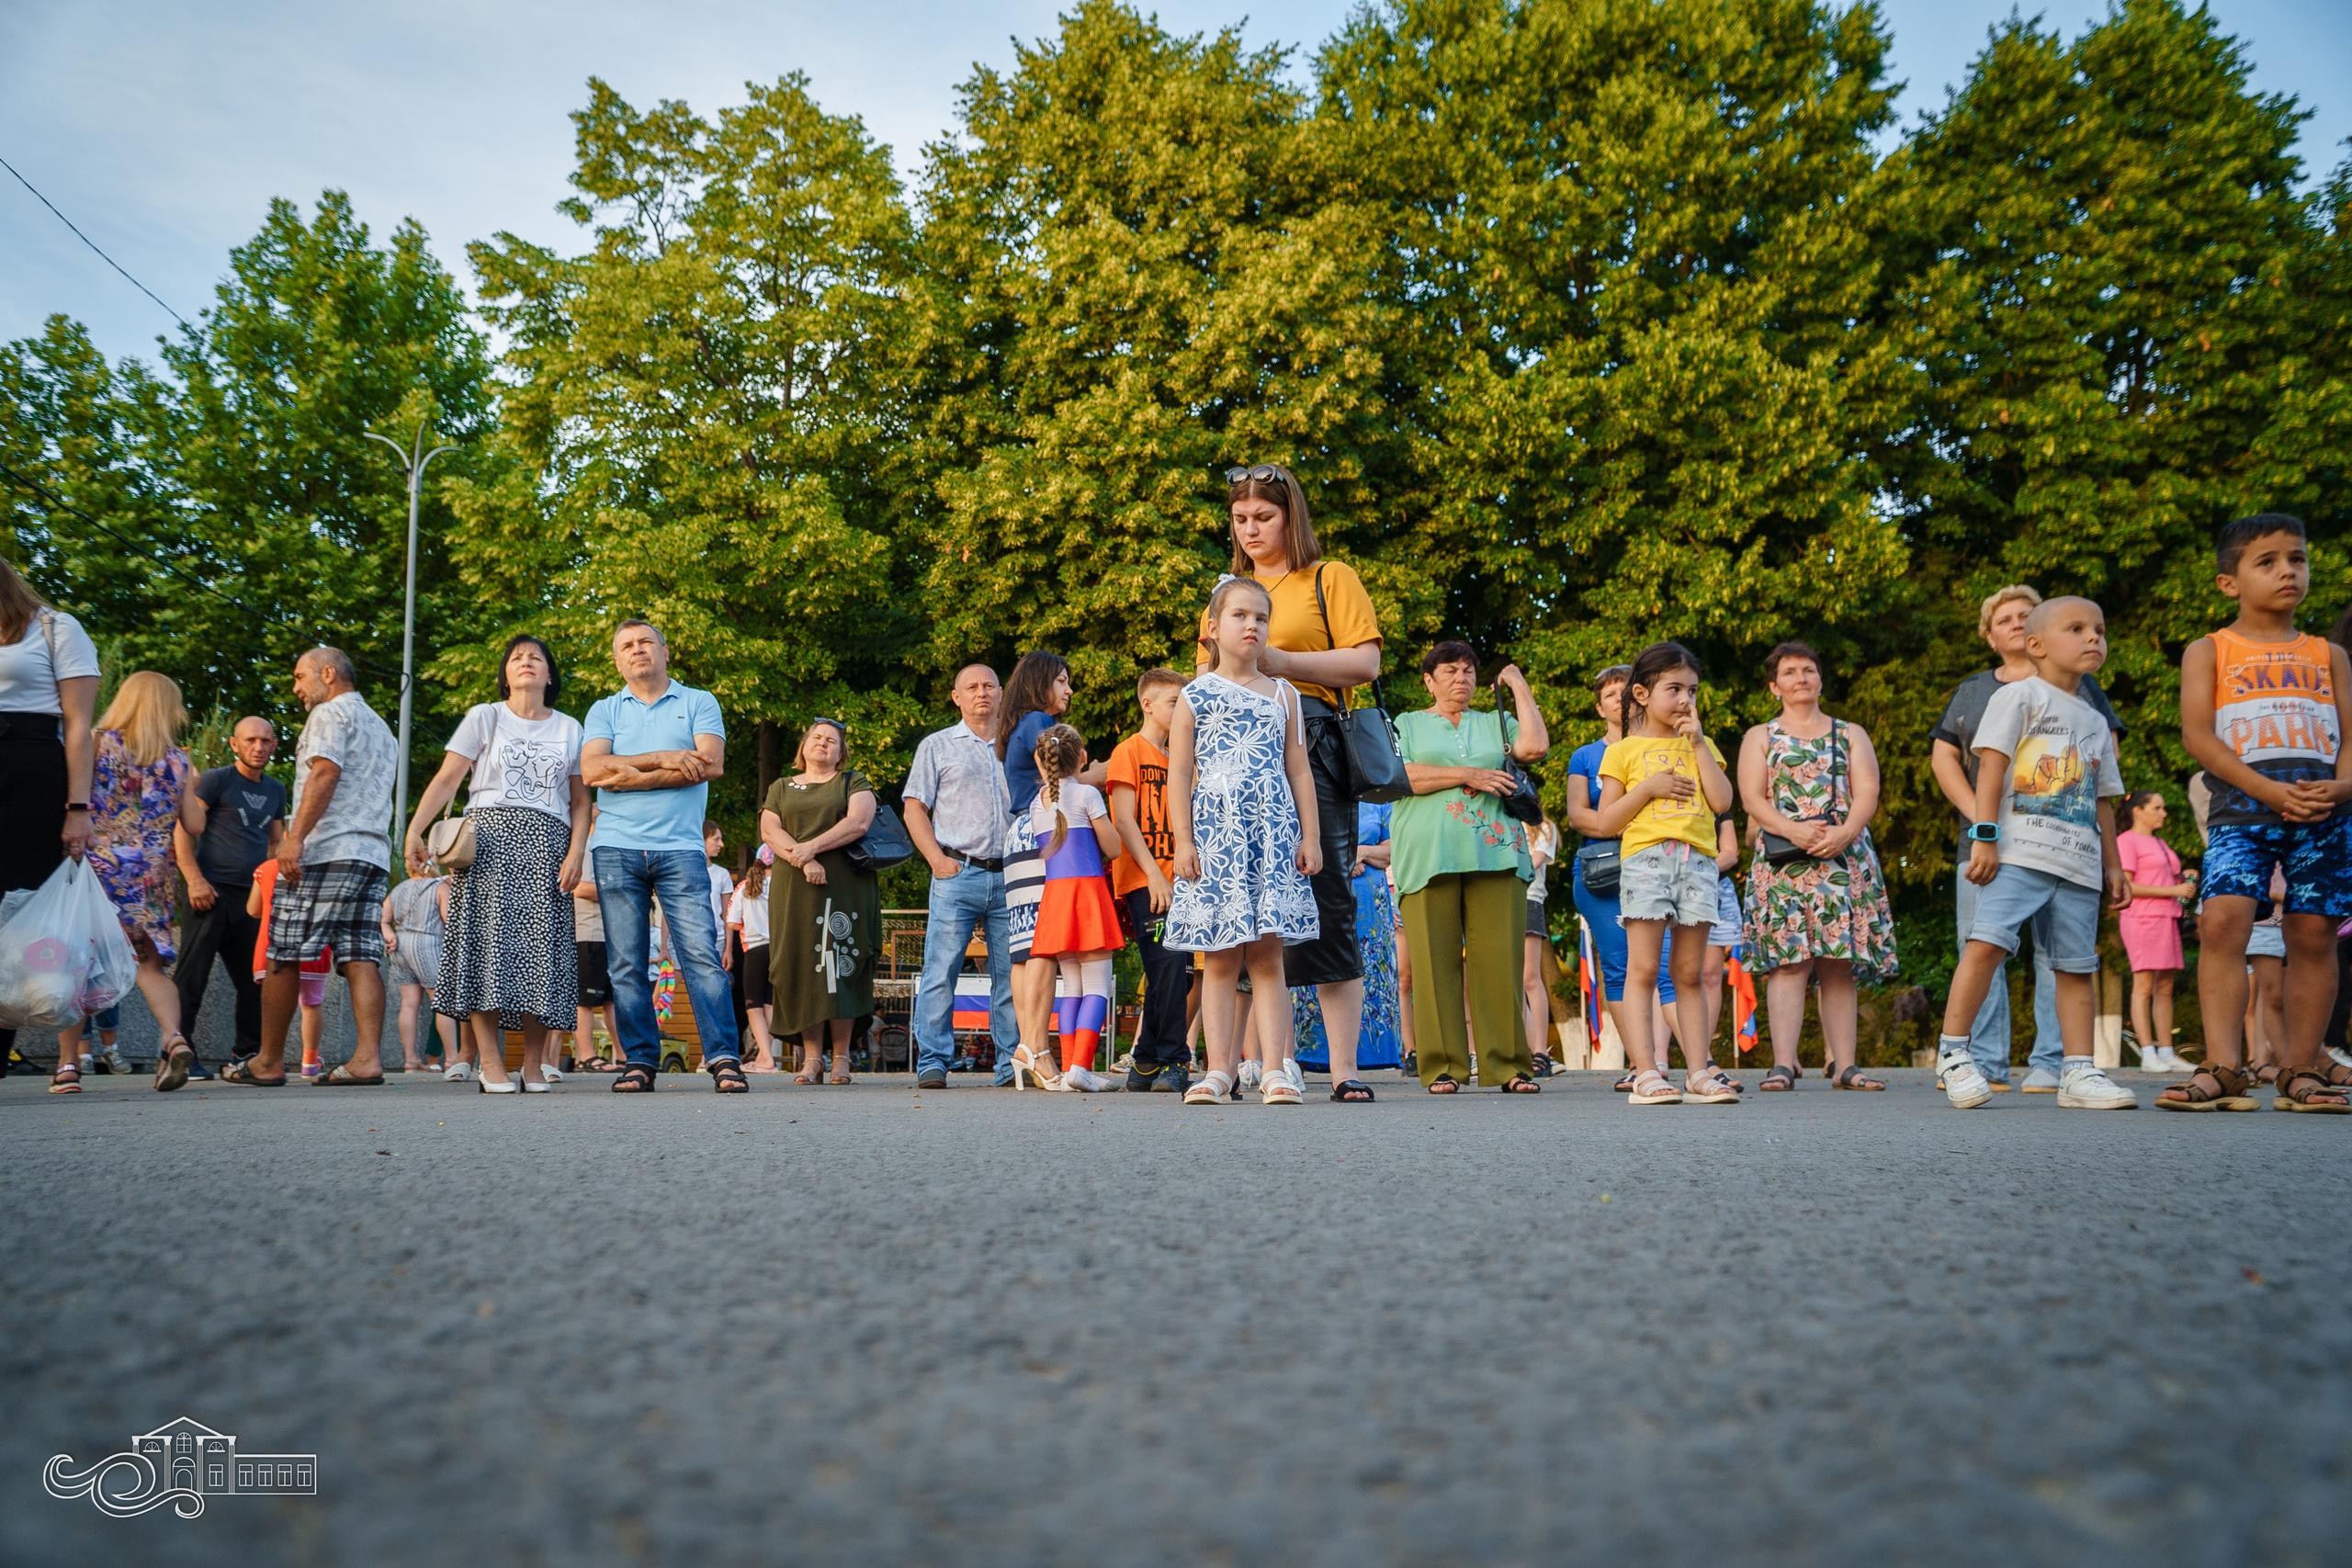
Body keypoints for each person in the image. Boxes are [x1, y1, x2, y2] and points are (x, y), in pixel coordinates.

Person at [2161, 515, 2352, 1112]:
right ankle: (2223, 1064)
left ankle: (2300, 1066)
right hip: (2242, 807)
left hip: (2323, 812)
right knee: (2223, 920)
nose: (2287, 570)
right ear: (2229, 582)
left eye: (2297, 558)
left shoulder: (2331, 654)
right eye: (2266, 561)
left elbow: (2350, 735)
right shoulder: (2209, 650)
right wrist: (2266, 790)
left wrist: (2343, 786)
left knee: (2314, 933)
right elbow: (2198, 735)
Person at [1210, 464, 1384, 1099]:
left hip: (1313, 734)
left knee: (1328, 892)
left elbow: (1366, 661)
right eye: (1240, 519)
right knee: (1249, 903)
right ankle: (1268, 1065)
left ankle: (1344, 1069)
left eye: (1264, 517)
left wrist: (1279, 663)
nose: (1250, 529)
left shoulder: (1327, 577)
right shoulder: (1229, 588)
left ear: (1291, 517)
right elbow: (1206, 679)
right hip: (1236, 753)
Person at [1932, 598, 2135, 1111]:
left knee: (2074, 966)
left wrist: (2113, 864)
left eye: (2099, 629)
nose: (2094, 638)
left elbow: (2104, 798)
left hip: (2078, 863)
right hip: (2017, 854)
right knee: (1986, 945)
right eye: (2077, 629)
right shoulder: (2019, 698)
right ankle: (1955, 1055)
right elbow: (1992, 767)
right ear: (2037, 645)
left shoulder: (2093, 717)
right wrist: (1985, 836)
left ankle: (2078, 1071)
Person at [403, 635, 588, 1095]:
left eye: (536, 658)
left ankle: (531, 1065)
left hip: (548, 844)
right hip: (487, 842)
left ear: (550, 675)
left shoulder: (570, 727)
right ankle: (488, 1062)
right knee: (487, 950)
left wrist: (576, 851)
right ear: (506, 674)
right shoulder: (485, 716)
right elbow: (447, 778)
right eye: (517, 658)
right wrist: (414, 829)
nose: (526, 663)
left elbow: (582, 801)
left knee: (541, 957)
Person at [1168, 574, 1322, 1106]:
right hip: (1215, 838)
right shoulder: (1193, 696)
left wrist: (1311, 836)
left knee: (1267, 958)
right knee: (1219, 958)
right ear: (1212, 627)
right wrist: (1182, 840)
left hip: (1273, 838)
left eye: (1260, 617)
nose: (1252, 625)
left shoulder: (1285, 694)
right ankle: (1218, 1071)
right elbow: (1180, 774)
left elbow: (1299, 770)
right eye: (1240, 615)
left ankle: (1276, 1069)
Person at [580, 620, 743, 1095]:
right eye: (627, 646)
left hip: (681, 848)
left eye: (646, 642)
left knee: (701, 956)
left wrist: (630, 773)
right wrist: (671, 758)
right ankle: (640, 1061)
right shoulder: (605, 709)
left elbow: (711, 764)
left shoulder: (699, 701)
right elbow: (592, 770)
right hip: (615, 847)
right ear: (617, 660)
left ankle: (723, 1057)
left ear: (665, 651)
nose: (637, 650)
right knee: (627, 963)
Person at [225, 648, 396, 1088]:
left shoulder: (329, 715)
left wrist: (294, 837)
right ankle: (367, 1059)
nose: (297, 688)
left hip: (327, 850)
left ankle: (267, 1062)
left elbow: (324, 773)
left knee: (284, 950)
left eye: (300, 677)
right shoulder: (382, 728)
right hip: (371, 853)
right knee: (360, 955)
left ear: (328, 673)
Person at [1736, 643, 1899, 1093]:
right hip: (1784, 863)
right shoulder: (1761, 736)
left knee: (1837, 964)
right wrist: (1796, 831)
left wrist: (1844, 833)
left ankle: (1845, 1065)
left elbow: (1867, 791)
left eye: (1809, 669)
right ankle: (1783, 1064)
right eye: (1790, 672)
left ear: (1821, 680)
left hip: (1843, 861)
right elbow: (1752, 799)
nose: (1801, 678)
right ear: (1775, 686)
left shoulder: (1851, 733)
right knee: (1788, 964)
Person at [1392, 643, 1549, 1095]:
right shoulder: (1407, 723)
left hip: (1498, 853)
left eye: (1469, 671)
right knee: (1433, 964)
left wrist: (1517, 683)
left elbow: (1534, 746)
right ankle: (1442, 1066)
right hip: (1428, 855)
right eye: (1450, 670)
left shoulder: (1494, 723)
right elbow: (1399, 775)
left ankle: (1509, 1066)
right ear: (1429, 680)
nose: (1461, 678)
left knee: (1501, 962)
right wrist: (1468, 774)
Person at [1591, 642, 1740, 1106]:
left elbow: (1722, 802)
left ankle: (1698, 1072)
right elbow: (1605, 821)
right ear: (1641, 693)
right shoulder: (1623, 751)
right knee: (1642, 969)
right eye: (1674, 688)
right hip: (1645, 861)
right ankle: (1647, 1073)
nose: (1685, 700)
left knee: (1689, 972)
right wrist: (1649, 789)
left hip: (1698, 862)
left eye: (1692, 690)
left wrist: (1696, 744)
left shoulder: (1702, 744)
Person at [76, 671, 208, 1091]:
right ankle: (173, 1037)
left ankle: (67, 1067)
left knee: (76, 964)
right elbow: (194, 824)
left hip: (96, 872)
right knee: (149, 967)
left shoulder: (98, 742)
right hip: (151, 879)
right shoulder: (179, 761)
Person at [0, 558, 99, 1088]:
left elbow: (80, 725)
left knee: (20, 912)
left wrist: (77, 809)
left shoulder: (55, 627)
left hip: (32, 772)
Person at [1565, 666, 1687, 1086]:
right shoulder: (1585, 756)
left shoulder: (1672, 746)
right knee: (1620, 968)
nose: (1620, 701)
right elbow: (1580, 816)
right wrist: (1620, 820)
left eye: (1625, 693)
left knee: (1668, 969)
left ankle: (1695, 1064)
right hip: (1603, 875)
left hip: (1661, 866)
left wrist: (1620, 817)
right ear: (1600, 707)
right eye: (1610, 695)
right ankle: (1642, 1064)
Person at [905, 664, 1018, 1089]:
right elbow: (914, 806)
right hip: (957, 870)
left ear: (1002, 692)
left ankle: (1010, 1065)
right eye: (971, 687)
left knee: (1012, 975)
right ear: (956, 697)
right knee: (940, 970)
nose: (981, 693)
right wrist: (936, 860)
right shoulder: (937, 746)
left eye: (989, 685)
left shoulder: (1016, 746)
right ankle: (933, 1060)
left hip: (1010, 875)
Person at [1003, 724, 1123, 1092]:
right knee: (1097, 986)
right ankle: (1080, 1068)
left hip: (1055, 899)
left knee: (1071, 985)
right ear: (1083, 758)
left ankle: (1070, 1068)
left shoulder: (1037, 803)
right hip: (1087, 895)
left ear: (1041, 763)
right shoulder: (1087, 794)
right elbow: (1114, 848)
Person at [761, 716, 879, 1085]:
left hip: (845, 885)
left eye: (832, 740)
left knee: (840, 961)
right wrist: (805, 858)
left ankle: (841, 1057)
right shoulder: (781, 786)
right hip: (795, 888)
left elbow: (859, 822)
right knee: (801, 966)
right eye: (817, 737)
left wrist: (812, 847)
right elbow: (769, 830)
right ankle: (812, 1059)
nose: (823, 743)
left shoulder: (852, 781)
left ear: (841, 752)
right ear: (803, 746)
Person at [172, 716, 285, 1076]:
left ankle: (247, 1054)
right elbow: (182, 828)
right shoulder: (216, 779)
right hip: (210, 894)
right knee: (192, 978)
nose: (259, 747)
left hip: (253, 901)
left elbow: (277, 844)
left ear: (274, 745)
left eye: (266, 741)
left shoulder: (277, 790)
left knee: (257, 981)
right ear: (234, 744)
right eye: (250, 740)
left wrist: (277, 894)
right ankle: (178, 1053)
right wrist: (194, 880)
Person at [1106, 670, 1193, 1093]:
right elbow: (1124, 820)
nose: (1182, 709)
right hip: (1147, 880)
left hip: (1182, 880)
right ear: (1149, 705)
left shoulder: (1183, 759)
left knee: (1175, 971)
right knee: (1170, 965)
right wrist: (1156, 875)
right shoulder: (1129, 751)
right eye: (1175, 702)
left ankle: (1143, 1062)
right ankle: (1176, 1059)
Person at [1291, 801, 1406, 1077]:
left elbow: (1393, 851)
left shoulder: (1379, 801)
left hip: (1371, 904)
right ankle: (1309, 1055)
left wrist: (1360, 852)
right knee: (1318, 972)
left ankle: (1364, 1055)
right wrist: (1341, 860)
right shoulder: (1315, 791)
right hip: (1322, 890)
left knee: (1369, 973)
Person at [2115, 790, 2196, 1073]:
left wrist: (2184, 878)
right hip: (2142, 917)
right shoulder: (2126, 841)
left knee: (2165, 987)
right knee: (2144, 986)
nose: (2163, 813)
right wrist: (2172, 889)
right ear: (2138, 811)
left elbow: (2163, 877)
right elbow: (2128, 886)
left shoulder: (2160, 842)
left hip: (2167, 917)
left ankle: (2166, 1051)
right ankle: (2148, 1054)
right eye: (2157, 808)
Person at [244, 858, 331, 1073]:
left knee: (272, 1002)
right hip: (312, 942)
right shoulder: (326, 865)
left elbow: (253, 909)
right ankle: (310, 1061)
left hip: (271, 943)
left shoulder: (264, 868)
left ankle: (270, 1058)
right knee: (311, 1004)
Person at [380, 873, 458, 1074]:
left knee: (408, 1004)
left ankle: (411, 1060)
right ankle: (452, 1059)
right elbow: (450, 922)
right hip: (427, 944)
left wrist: (390, 936)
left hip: (400, 944)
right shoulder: (439, 887)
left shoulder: (398, 889)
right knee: (442, 1002)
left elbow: (383, 920)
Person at [729, 850, 776, 1070]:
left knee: (753, 1006)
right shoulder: (784, 884)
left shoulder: (744, 886)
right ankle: (762, 1057)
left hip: (754, 949)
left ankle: (766, 1058)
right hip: (779, 950)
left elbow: (732, 922)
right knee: (770, 1004)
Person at [1522, 814, 1561, 1074]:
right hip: (1498, 904)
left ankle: (1540, 1051)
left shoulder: (1543, 827)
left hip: (1528, 900)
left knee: (1530, 978)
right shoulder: (1498, 819)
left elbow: (1531, 864)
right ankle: (1528, 1050)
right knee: (1510, 981)